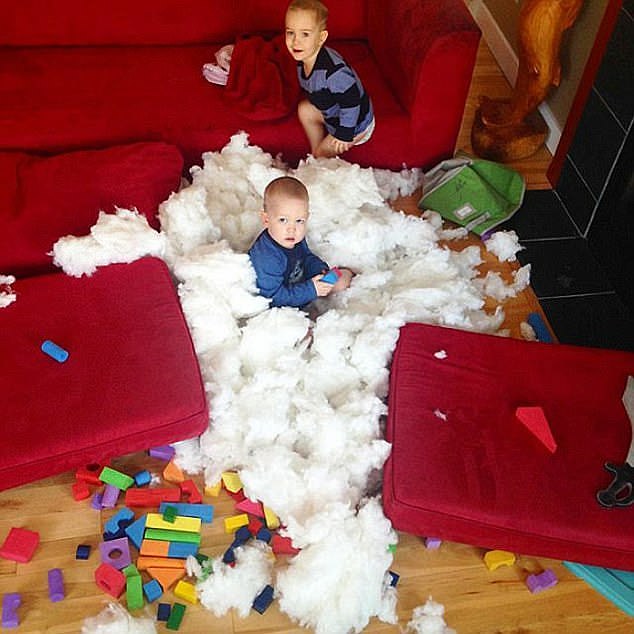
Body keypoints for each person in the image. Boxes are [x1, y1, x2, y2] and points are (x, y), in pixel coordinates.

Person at [285, 0, 375, 158]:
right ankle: (316, 153)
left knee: (323, 153)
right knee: (304, 110)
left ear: (321, 38)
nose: (295, 41)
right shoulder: (304, 59)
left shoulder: (333, 73)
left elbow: (352, 101)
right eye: (290, 32)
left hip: (355, 123)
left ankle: (321, 155)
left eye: (305, 34)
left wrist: (344, 134)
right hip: (332, 112)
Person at [249, 176, 352, 308]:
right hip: (279, 302)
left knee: (343, 278)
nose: (292, 229)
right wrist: (311, 290)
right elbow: (272, 299)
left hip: (299, 286)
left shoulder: (295, 238)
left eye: (299, 221)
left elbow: (306, 258)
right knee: (292, 325)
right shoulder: (267, 257)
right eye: (283, 220)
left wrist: (320, 271)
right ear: (266, 219)